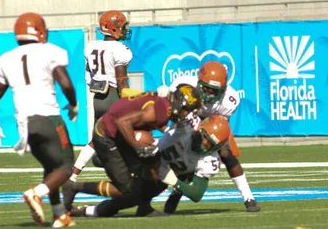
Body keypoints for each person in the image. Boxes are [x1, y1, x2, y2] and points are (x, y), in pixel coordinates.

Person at [0, 12, 80, 227]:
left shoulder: (5, 59)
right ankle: (36, 193)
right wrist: (73, 104)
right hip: (47, 116)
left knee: (51, 166)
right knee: (66, 166)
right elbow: (65, 84)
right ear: (40, 31)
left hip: (25, 123)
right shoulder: (50, 52)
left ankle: (59, 215)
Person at [62, 84, 203, 216]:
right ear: (180, 104)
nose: (186, 115)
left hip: (116, 132)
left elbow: (128, 99)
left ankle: (144, 207)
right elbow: (122, 122)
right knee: (127, 189)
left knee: (149, 166)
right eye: (187, 110)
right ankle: (74, 187)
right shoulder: (160, 111)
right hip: (107, 136)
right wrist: (137, 148)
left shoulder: (163, 105)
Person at [72, 115, 231, 218]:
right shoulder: (186, 128)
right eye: (204, 138)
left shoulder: (210, 160)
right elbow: (172, 110)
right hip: (149, 156)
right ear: (199, 130)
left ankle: (82, 210)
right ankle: (78, 184)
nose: (204, 144)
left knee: (126, 199)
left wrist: (174, 182)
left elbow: (197, 193)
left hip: (160, 178)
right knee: (122, 184)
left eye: (210, 144)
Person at [162, 61, 261, 213]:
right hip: (187, 120)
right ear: (199, 82)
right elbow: (174, 112)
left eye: (214, 91)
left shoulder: (230, 100)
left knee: (226, 154)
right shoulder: (185, 85)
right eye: (206, 88)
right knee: (184, 153)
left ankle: (248, 197)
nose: (209, 94)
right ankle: (176, 192)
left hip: (211, 124)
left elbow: (220, 125)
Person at [69, 10, 132, 183]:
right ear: (113, 27)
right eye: (122, 25)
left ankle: (73, 175)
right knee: (132, 136)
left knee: (96, 139)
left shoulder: (92, 47)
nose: (125, 28)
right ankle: (151, 178)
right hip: (114, 96)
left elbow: (88, 77)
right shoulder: (120, 49)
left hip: (99, 98)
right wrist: (128, 102)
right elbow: (121, 82)